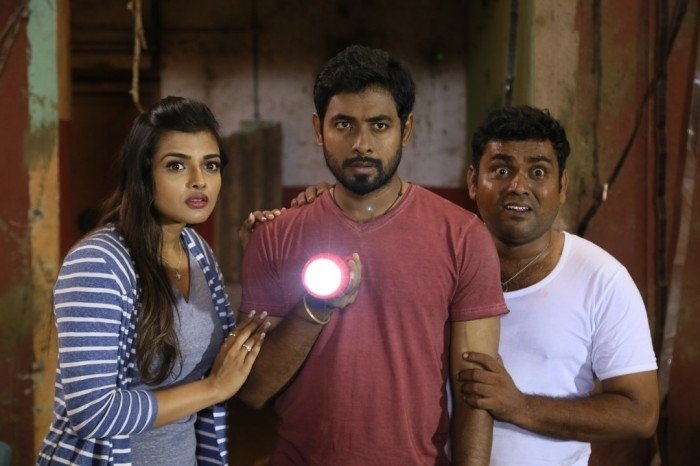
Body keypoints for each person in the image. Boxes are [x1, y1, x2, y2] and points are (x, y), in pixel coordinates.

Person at [236, 45, 508, 466]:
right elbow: (253, 390)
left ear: (406, 129)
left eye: (379, 125)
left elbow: (474, 389)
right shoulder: (274, 235)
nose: (361, 144)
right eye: (343, 124)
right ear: (318, 128)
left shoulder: (463, 236)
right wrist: (314, 309)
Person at [38, 96, 269, 465]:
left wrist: (262, 261)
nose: (199, 181)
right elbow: (92, 413)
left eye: (210, 165)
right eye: (176, 165)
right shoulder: (97, 263)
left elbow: (231, 357)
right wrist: (213, 389)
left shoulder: (197, 250)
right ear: (143, 174)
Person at [459, 105, 659, 465]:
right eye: (501, 170)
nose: (518, 186)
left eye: (538, 172)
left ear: (562, 186)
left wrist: (519, 406)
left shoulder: (602, 279)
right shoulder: (441, 266)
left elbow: (640, 413)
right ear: (473, 181)